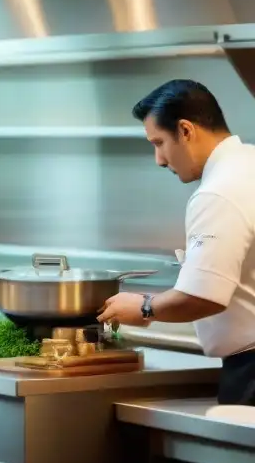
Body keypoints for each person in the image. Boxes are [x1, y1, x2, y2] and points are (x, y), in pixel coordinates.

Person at [99, 79, 255, 404]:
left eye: (159, 142)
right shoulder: (248, 164)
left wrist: (143, 307)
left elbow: (204, 297)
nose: (159, 159)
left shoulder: (218, 192)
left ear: (185, 131)